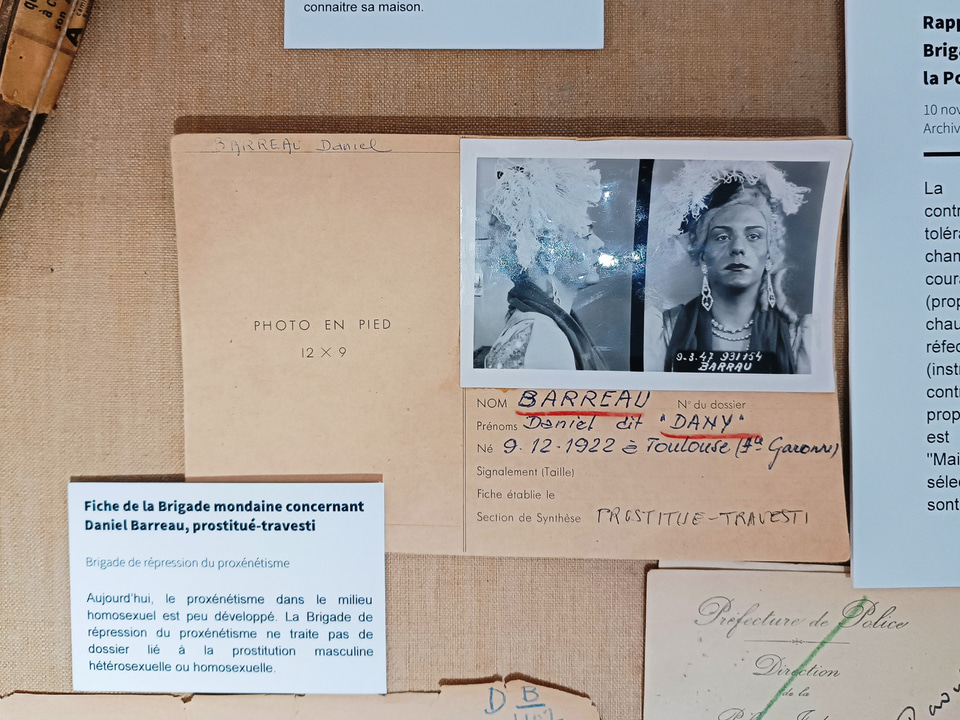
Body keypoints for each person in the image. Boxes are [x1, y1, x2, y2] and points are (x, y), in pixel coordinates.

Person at [654, 162, 812, 374]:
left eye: (753, 236)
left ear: (769, 253)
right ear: (702, 255)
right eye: (722, 237)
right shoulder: (666, 329)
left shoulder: (797, 335)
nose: (738, 248)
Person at [478, 158, 609, 371]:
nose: (599, 243)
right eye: (586, 232)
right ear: (548, 249)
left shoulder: (538, 324)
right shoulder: (543, 336)